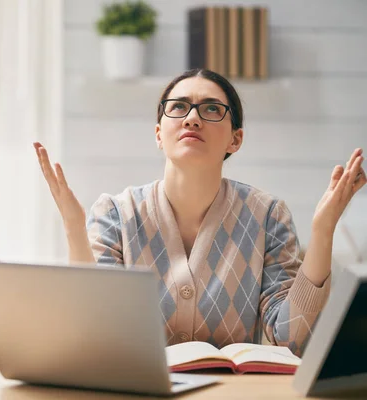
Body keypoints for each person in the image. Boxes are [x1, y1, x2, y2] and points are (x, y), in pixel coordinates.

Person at [34, 68, 366, 356]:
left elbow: (292, 340)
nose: (192, 117)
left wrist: (324, 230)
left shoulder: (268, 216)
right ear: (158, 134)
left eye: (211, 109)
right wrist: (74, 230)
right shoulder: (115, 214)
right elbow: (96, 329)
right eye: (178, 107)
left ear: (235, 140)